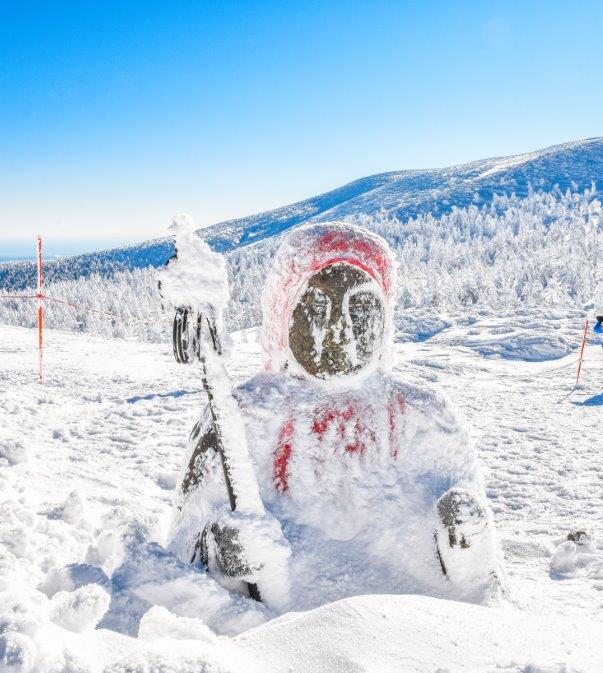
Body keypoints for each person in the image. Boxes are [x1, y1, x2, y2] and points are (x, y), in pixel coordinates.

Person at [167, 221, 505, 611]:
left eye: (361, 307)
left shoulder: (428, 417)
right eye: (317, 308)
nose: (340, 330)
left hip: (417, 622)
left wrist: (467, 546)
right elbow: (180, 546)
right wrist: (219, 549)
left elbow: (482, 580)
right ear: (283, 313)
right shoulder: (239, 420)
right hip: (280, 634)